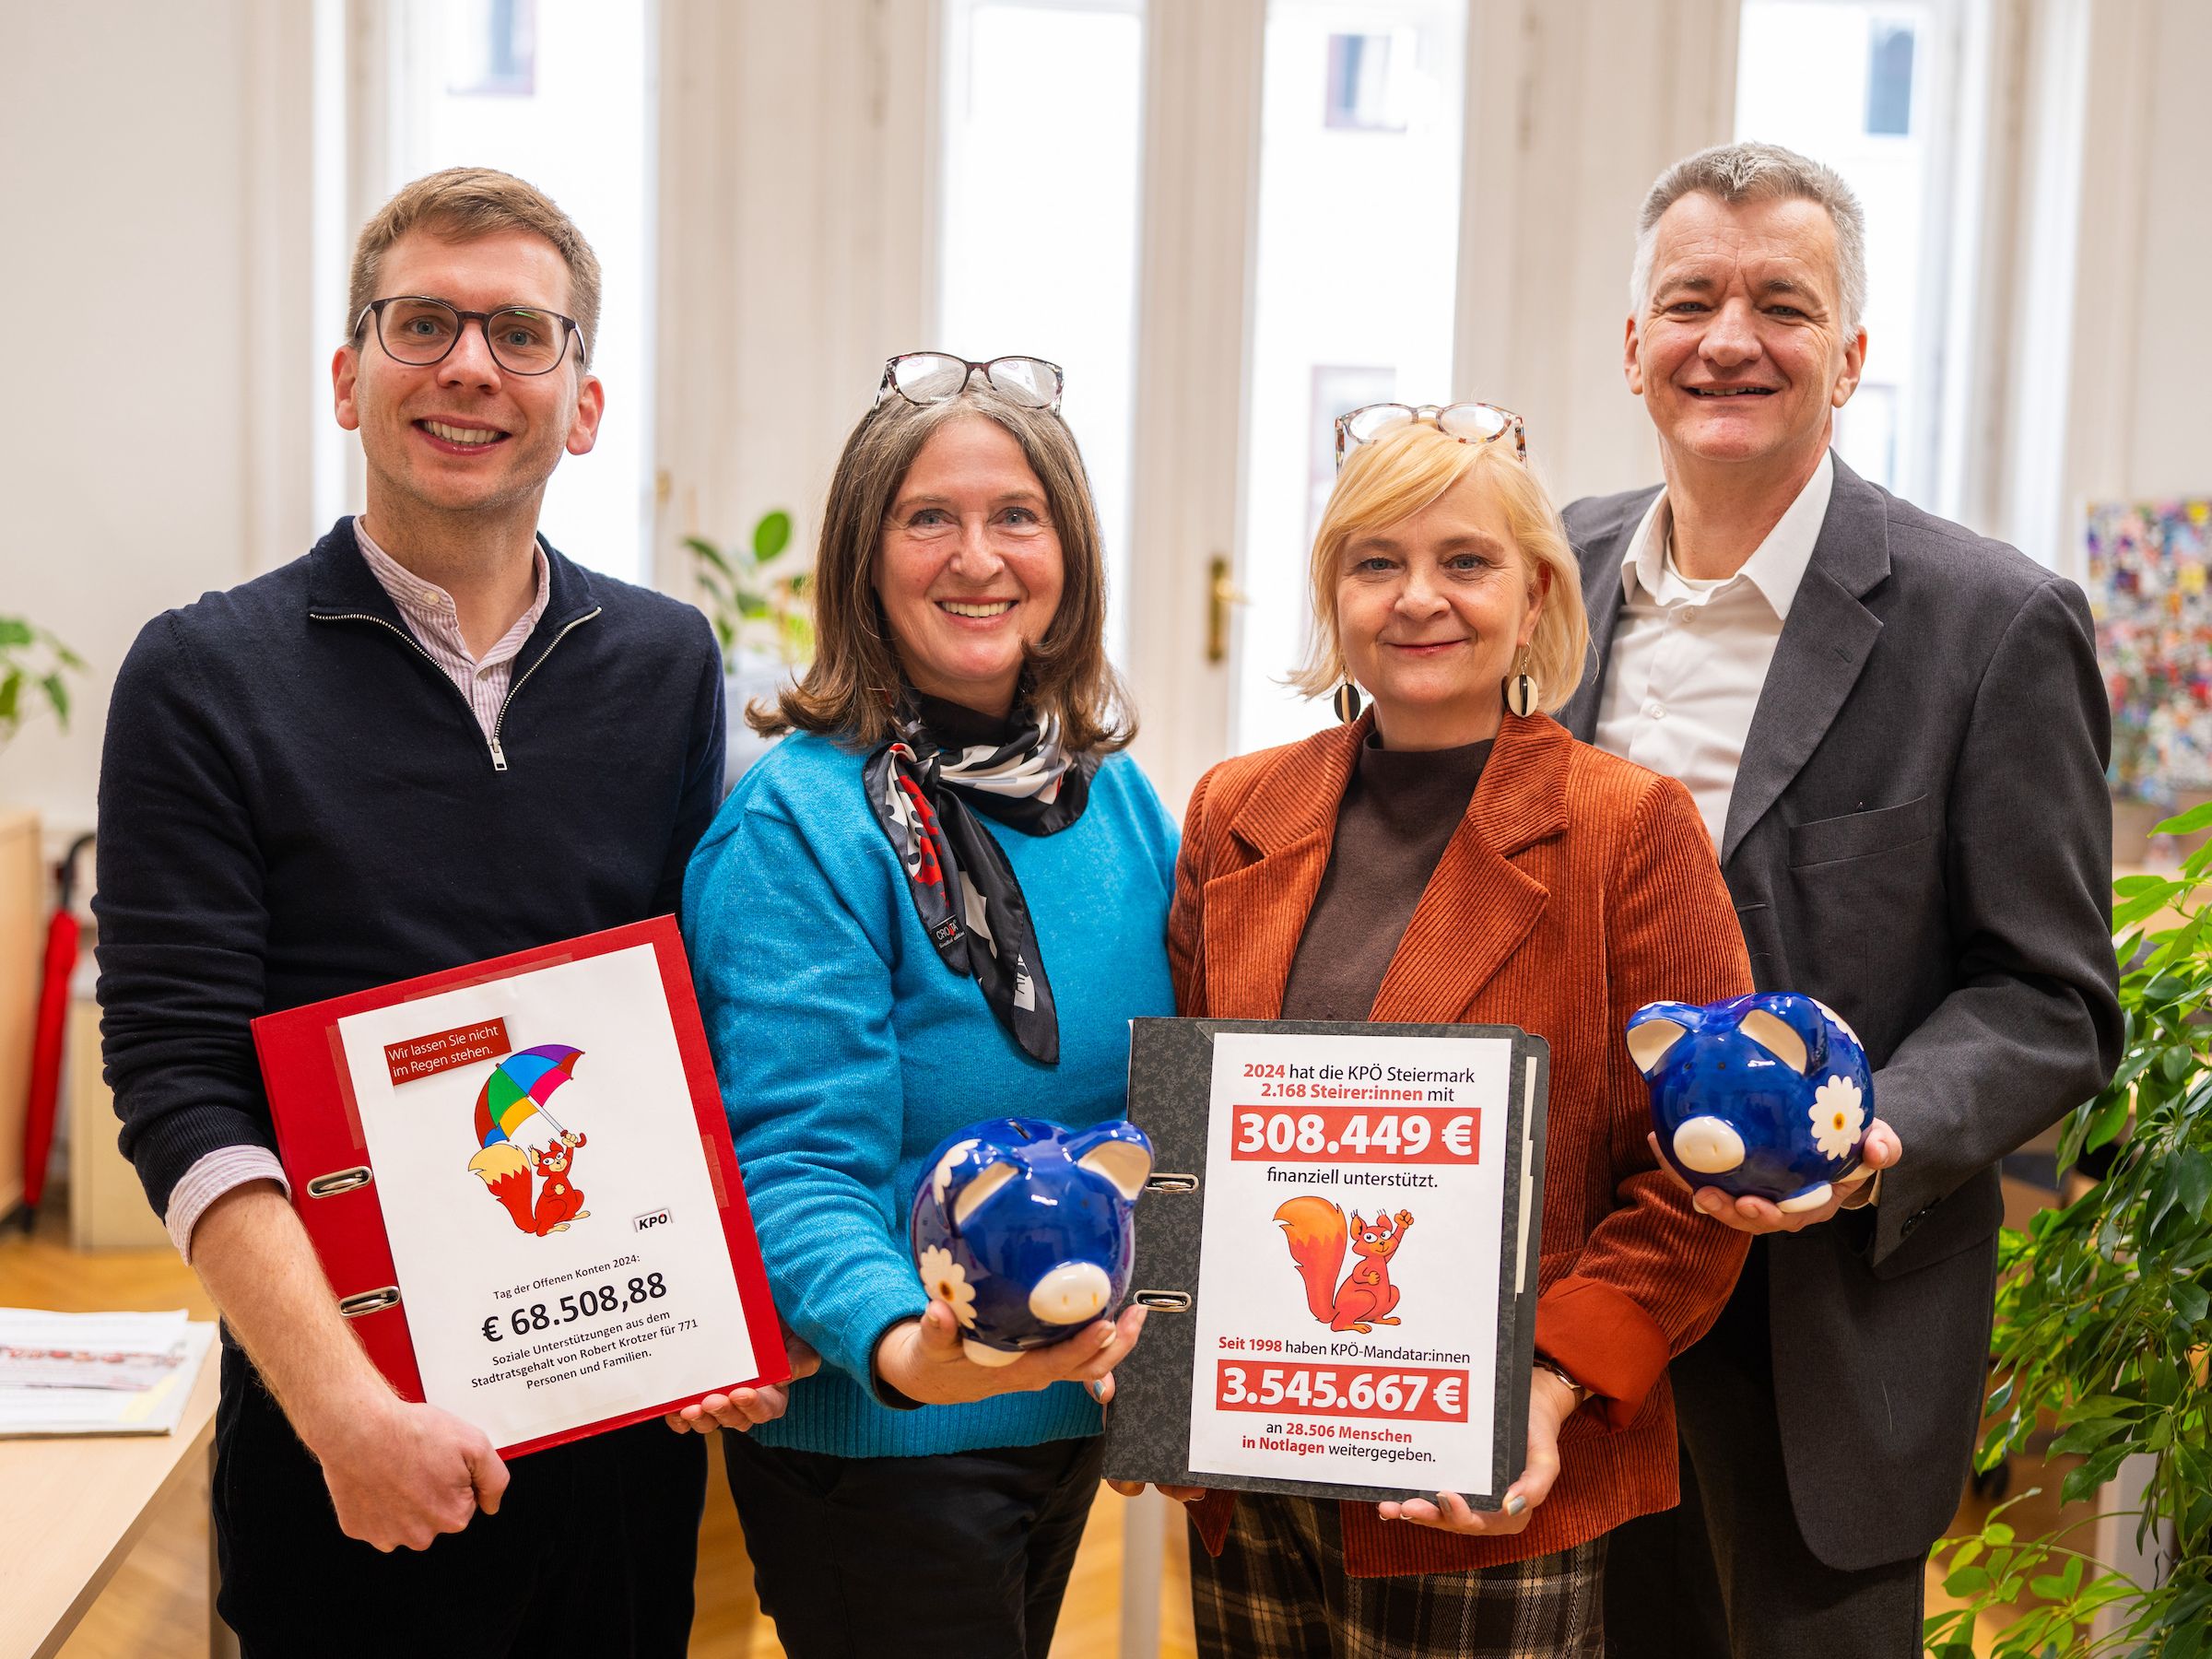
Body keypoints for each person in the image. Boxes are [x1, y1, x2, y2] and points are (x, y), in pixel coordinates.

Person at [94, 167, 795, 1657]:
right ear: (350, 380)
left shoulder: (670, 663)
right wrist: (346, 1409)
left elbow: (696, 1024)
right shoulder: (202, 678)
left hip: (624, 1418)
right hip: (343, 1435)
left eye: (521, 336)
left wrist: (722, 1302)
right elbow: (177, 1084)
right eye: (424, 324)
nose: (470, 367)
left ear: (582, 403)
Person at [1559, 142, 2124, 1658]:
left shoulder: (1993, 624)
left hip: (1822, 1328)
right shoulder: (1544, 575)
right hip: (1561, 1310)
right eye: (1689, 299)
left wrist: (1875, 1141)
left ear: (1852, 355)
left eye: (1782, 305)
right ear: (1632, 346)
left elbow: (2050, 997)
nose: (1729, 337)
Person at [1148, 407, 1756, 1656]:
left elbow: (1701, 1180)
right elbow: (1185, 1143)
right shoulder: (1232, 811)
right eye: (1376, 562)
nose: (1418, 597)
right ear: (1334, 596)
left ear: (1535, 596)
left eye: (1464, 562)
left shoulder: (1627, 830)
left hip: (1489, 1480)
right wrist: (1158, 1378)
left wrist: (1547, 1385)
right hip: (1252, 1471)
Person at [682, 352, 1169, 1659]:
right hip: (887, 1435)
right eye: (928, 518)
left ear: (1068, 553)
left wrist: (1157, 1367)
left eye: (1018, 515)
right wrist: (906, 1349)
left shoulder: (1111, 794)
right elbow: (793, 1164)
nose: (978, 557)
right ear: (864, 556)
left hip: (1061, 1408)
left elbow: (1160, 1099)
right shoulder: (798, 824)